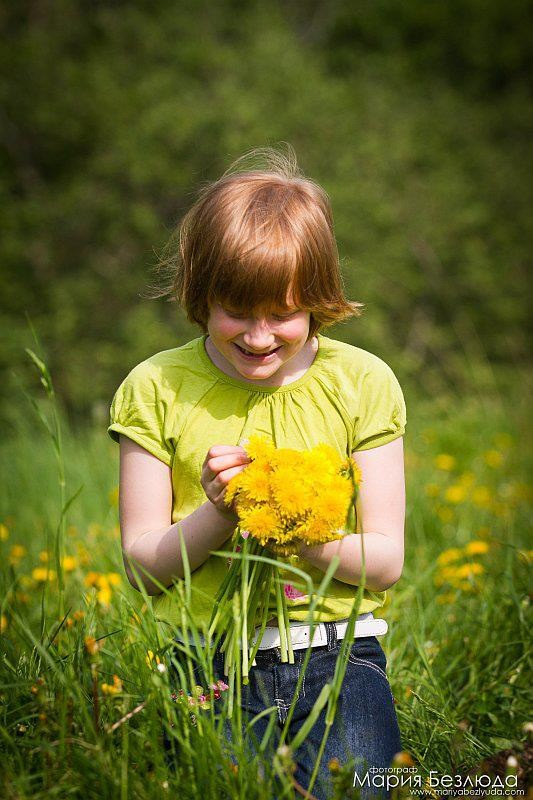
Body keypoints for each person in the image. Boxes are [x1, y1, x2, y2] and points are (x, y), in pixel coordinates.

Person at [108, 145, 406, 799]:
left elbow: (385, 562)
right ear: (201, 295)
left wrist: (295, 535)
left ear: (318, 300)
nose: (260, 336)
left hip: (340, 657)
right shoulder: (155, 388)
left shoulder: (364, 383)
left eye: (283, 314)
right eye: (237, 311)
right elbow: (143, 569)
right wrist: (220, 511)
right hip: (205, 659)